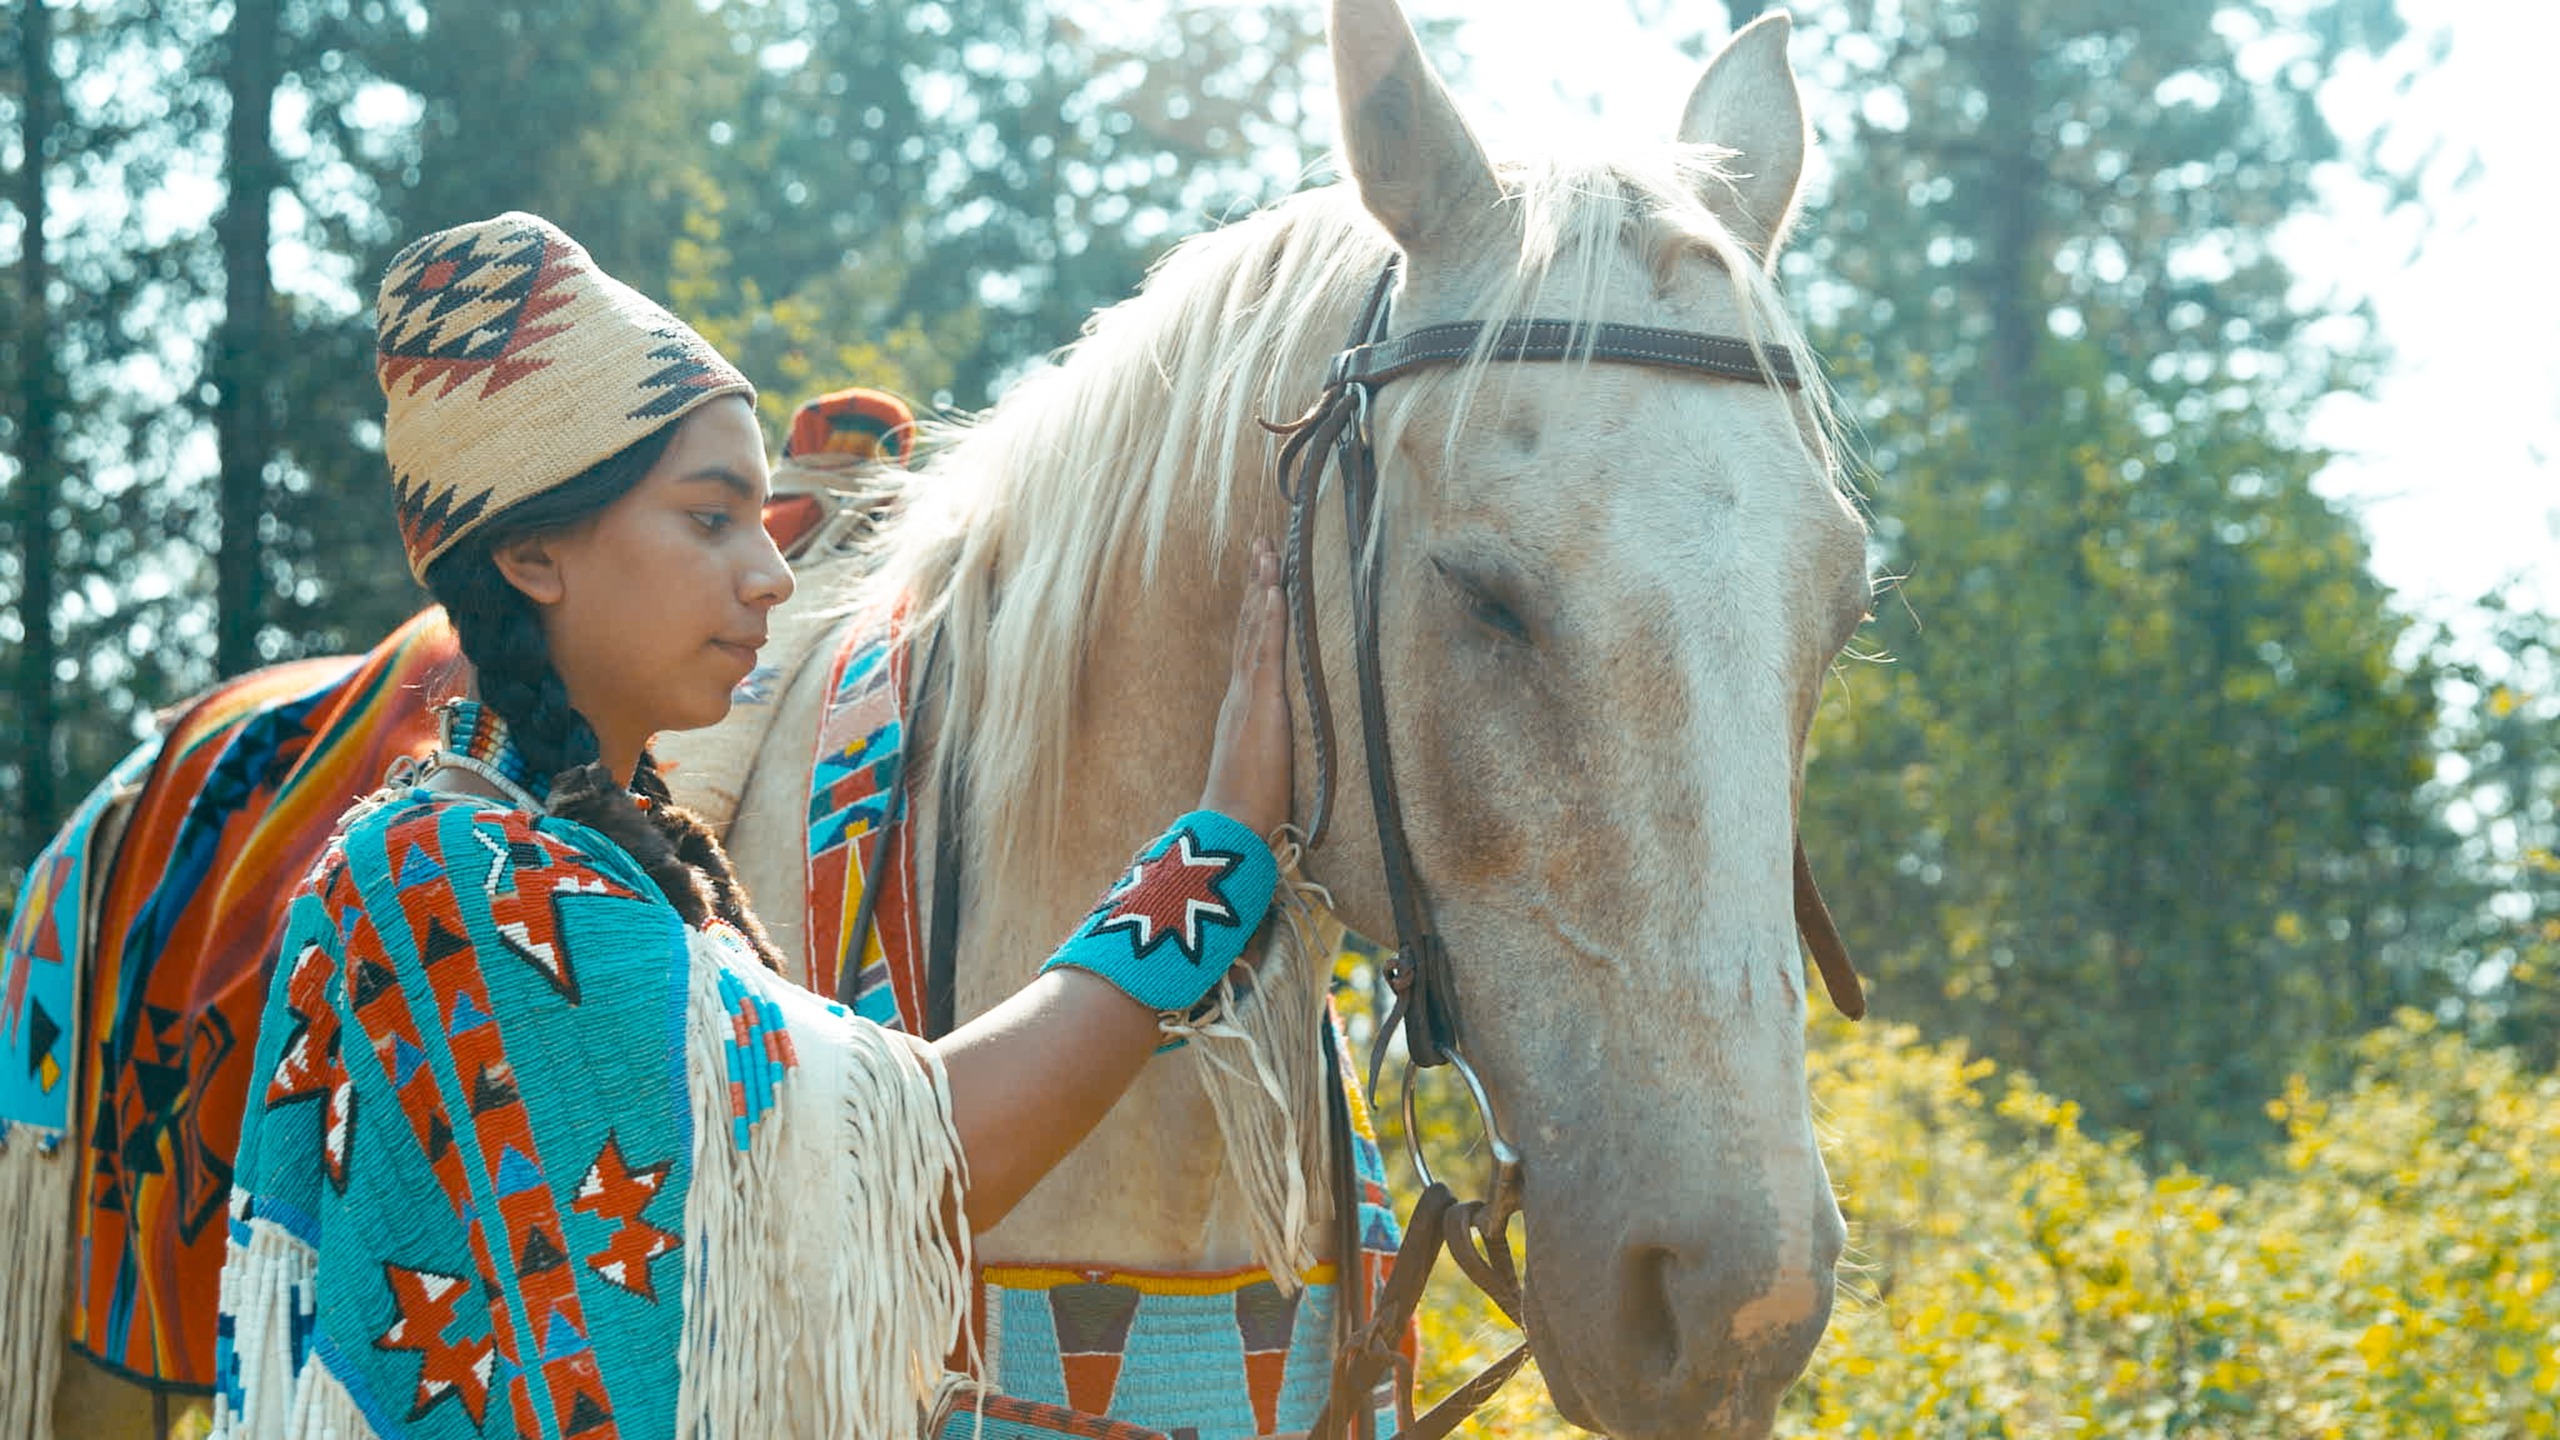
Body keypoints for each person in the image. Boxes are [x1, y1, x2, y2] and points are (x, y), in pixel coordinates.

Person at [209, 213, 1293, 1440]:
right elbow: (914, 1156)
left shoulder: (572, 861)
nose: (772, 576)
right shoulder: (453, 883)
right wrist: (1216, 843)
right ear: (530, 553)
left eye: (761, 525)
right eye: (711, 519)